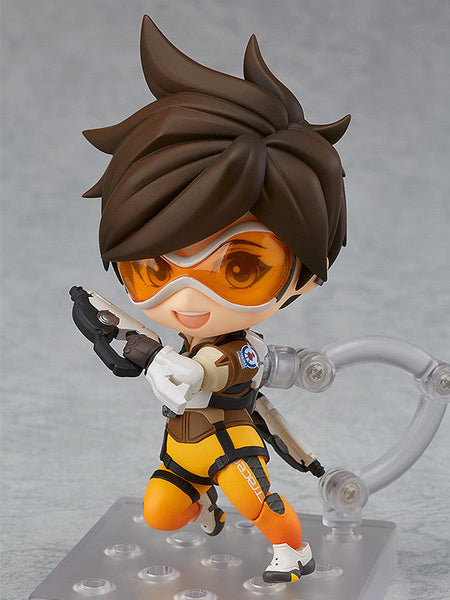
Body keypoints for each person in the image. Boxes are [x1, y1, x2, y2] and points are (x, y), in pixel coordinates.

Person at [82, 15, 350, 584]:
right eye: (154, 267)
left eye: (239, 268)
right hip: (182, 447)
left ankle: (294, 552)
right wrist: (129, 342)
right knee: (161, 512)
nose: (187, 295)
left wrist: (167, 363)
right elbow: (162, 361)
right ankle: (204, 507)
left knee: (259, 504)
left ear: (301, 277)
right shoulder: (174, 341)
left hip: (231, 444)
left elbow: (217, 370)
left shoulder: (242, 350)